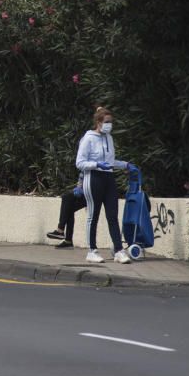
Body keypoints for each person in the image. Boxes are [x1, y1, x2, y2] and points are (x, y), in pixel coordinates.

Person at [75, 107, 138, 264]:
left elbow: (110, 162)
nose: (109, 125)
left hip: (109, 178)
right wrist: (96, 164)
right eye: (107, 122)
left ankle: (118, 250)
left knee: (112, 215)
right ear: (98, 122)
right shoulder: (88, 138)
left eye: (111, 122)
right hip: (94, 178)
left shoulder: (109, 138)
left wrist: (125, 165)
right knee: (93, 215)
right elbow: (80, 162)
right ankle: (92, 250)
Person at [45, 178, 87, 249]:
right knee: (68, 207)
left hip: (92, 191)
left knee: (67, 198)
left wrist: (80, 188)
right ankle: (68, 241)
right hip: (86, 189)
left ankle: (60, 231)